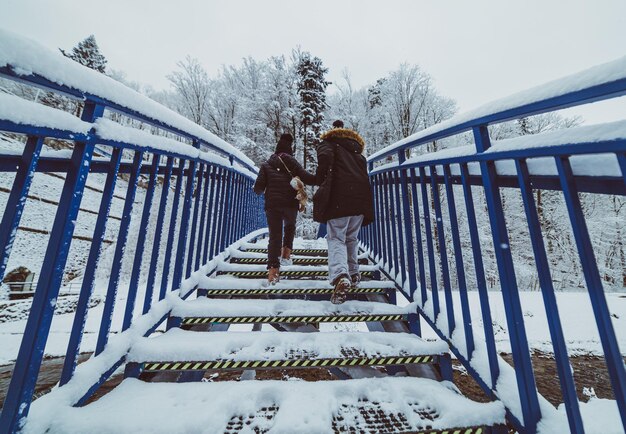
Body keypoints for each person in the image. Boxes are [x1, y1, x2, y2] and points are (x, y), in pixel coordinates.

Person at [314, 120, 374, 304]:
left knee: (336, 237)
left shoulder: (329, 145)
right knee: (351, 238)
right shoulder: (357, 153)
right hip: (360, 200)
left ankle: (341, 274)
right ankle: (354, 273)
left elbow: (323, 164)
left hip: (340, 198)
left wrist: (317, 177)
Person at [254, 133, 315, 284]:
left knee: (275, 236)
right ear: (290, 149)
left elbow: (258, 189)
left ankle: (273, 272)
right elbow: (307, 178)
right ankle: (286, 253)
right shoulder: (294, 164)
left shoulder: (267, 164)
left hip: (273, 205)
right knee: (290, 226)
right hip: (290, 204)